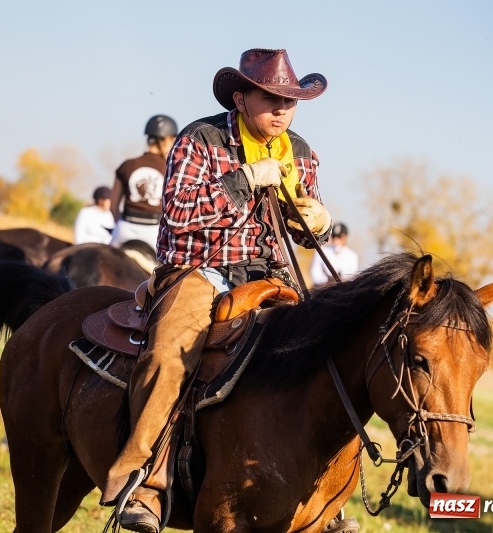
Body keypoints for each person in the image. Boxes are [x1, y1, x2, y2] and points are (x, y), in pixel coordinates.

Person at [102, 49, 345, 533]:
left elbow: (299, 222)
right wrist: (243, 179)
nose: (281, 110)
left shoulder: (300, 153)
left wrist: (315, 219)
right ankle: (143, 479)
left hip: (270, 276)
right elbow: (177, 216)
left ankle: (326, 497)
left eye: (290, 101)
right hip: (198, 268)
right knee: (170, 352)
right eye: (270, 98)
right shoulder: (201, 139)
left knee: (328, 354)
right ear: (240, 97)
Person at [109, 115, 178, 251]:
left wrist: (121, 224)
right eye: (173, 140)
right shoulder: (172, 170)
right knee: (166, 271)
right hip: (154, 233)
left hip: (125, 229)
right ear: (165, 140)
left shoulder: (127, 165)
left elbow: (113, 205)